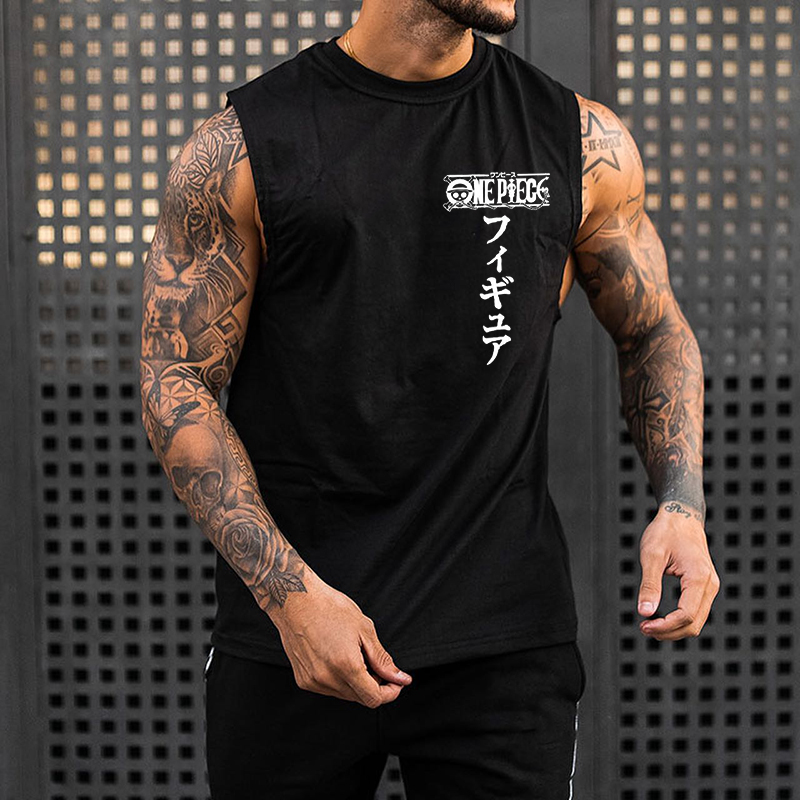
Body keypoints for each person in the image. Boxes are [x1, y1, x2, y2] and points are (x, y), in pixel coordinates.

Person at [139, 0, 720, 797]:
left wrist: (682, 502)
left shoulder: (579, 140)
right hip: (295, 638)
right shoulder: (243, 144)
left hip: (502, 645)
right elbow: (176, 379)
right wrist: (289, 597)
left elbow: (653, 329)